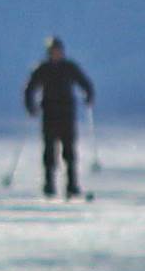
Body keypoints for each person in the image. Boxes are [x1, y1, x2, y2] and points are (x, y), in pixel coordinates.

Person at [23, 36, 93, 199]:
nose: (56, 54)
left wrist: (89, 96)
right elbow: (29, 88)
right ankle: (49, 185)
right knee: (49, 151)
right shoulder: (42, 68)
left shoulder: (69, 67)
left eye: (58, 51)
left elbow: (85, 83)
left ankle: (72, 185)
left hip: (66, 114)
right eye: (54, 51)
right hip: (49, 114)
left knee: (69, 151)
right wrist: (30, 107)